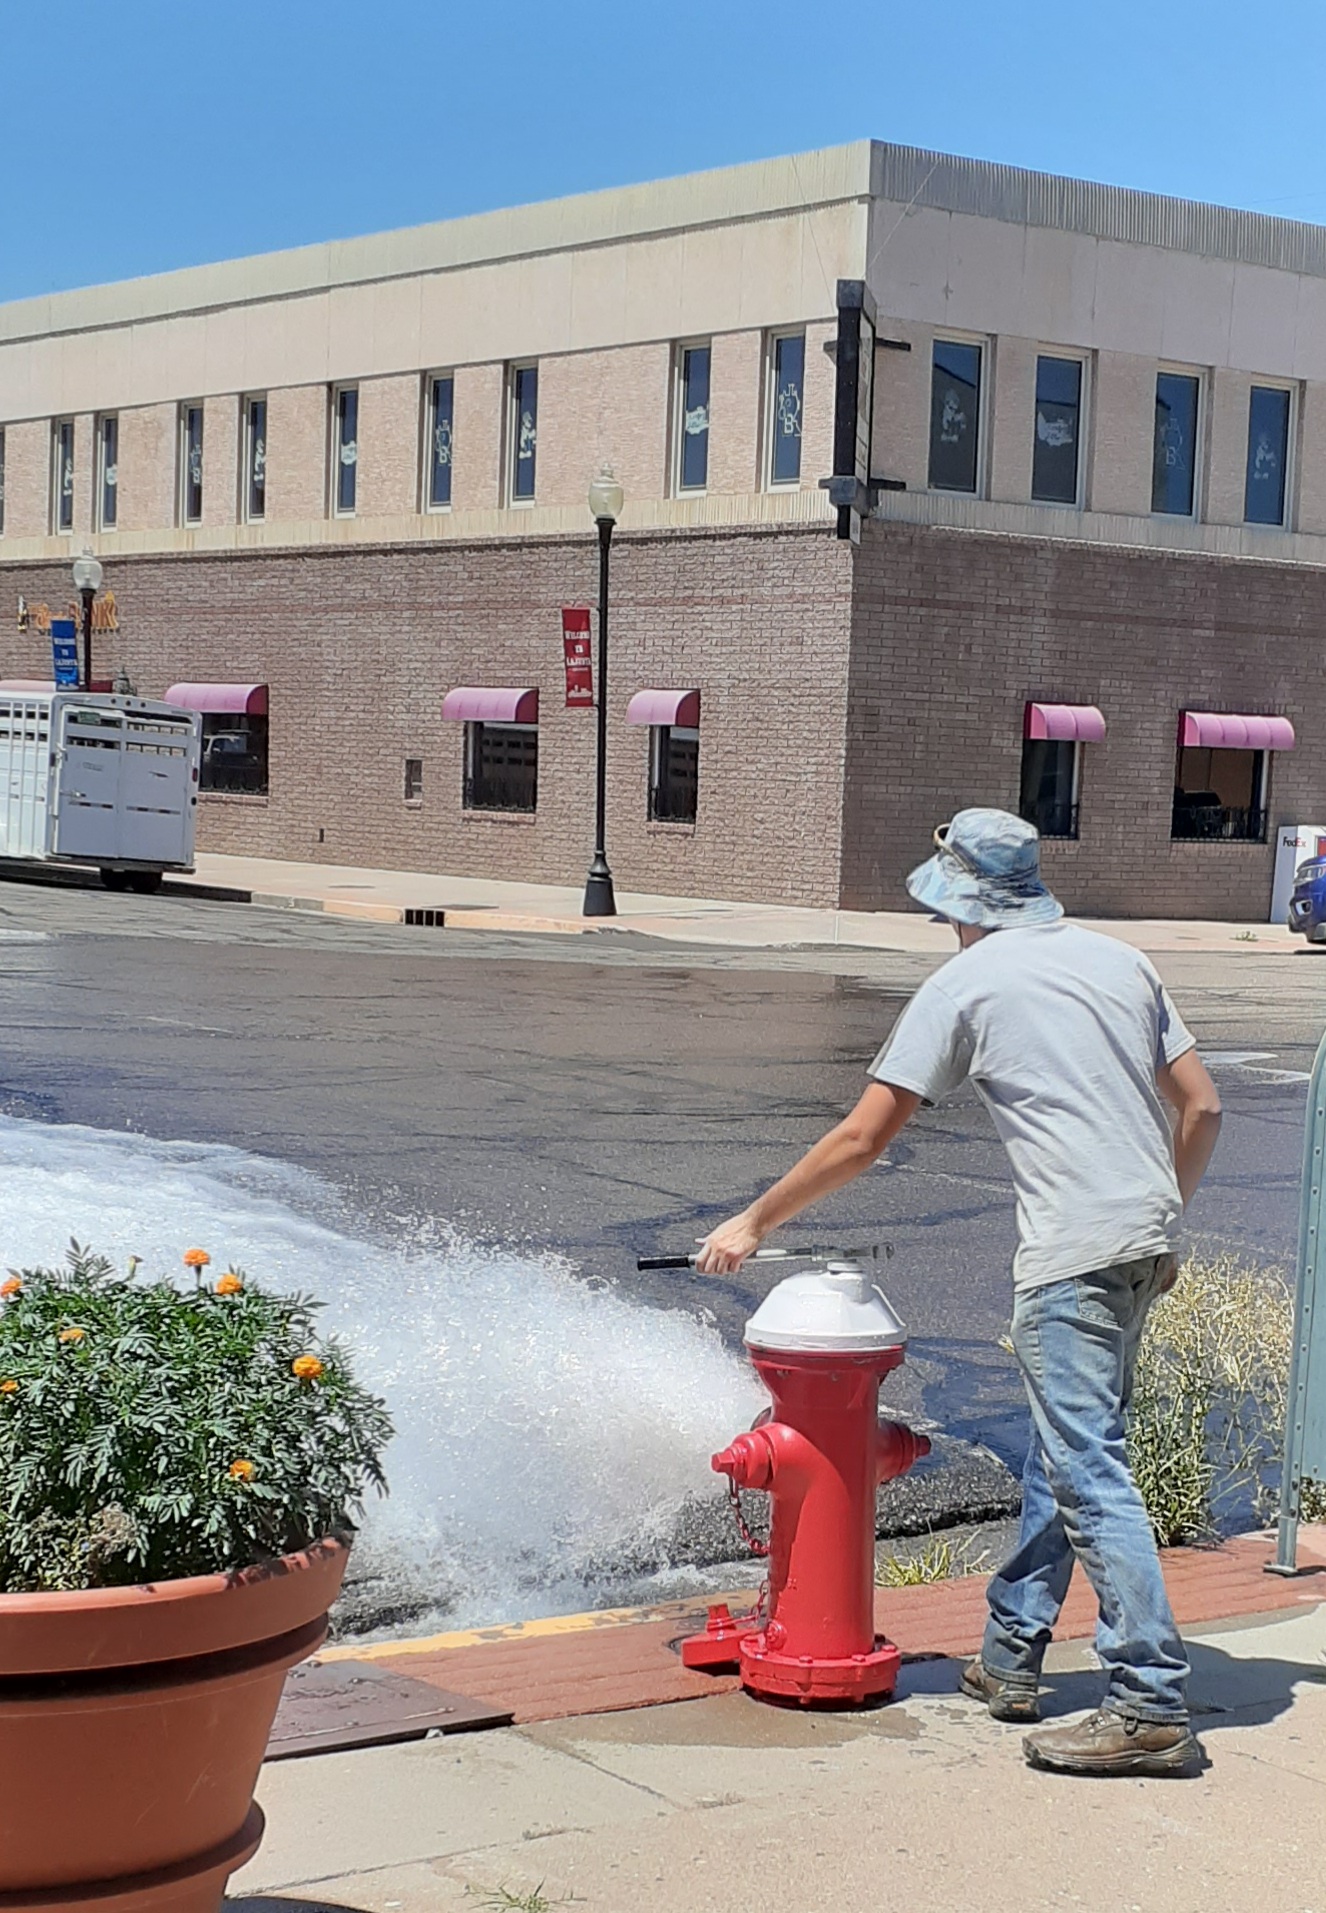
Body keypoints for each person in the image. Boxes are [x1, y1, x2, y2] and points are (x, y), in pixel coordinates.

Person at [696, 808, 1222, 1777]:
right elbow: (1203, 1103)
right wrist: (1160, 1219)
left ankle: (1149, 1701)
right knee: (1067, 1455)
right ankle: (1011, 1653)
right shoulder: (1119, 959)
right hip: (1141, 1241)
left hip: (1072, 1254)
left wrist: (754, 1221)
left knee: (1089, 1469)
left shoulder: (965, 983)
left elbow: (863, 1137)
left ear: (959, 900)